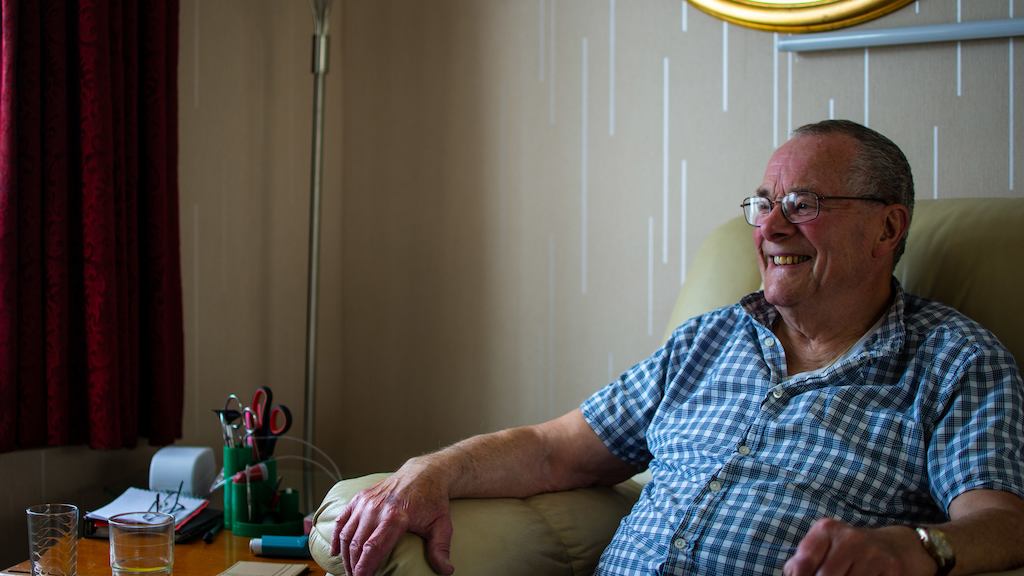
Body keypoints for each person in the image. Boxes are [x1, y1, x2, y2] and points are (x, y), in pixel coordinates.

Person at [331, 120, 1024, 576]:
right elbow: (554, 449)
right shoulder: (709, 339)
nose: (771, 227)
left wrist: (914, 549)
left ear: (887, 227)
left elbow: (1002, 521)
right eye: (761, 204)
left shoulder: (955, 361)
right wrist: (431, 471)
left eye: (804, 204)